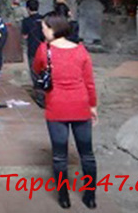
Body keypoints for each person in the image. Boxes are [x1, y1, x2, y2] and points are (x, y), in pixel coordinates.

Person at [33, 15, 98, 210]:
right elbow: (89, 82)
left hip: (57, 106)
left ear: (54, 30)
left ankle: (64, 198)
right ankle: (90, 197)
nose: (43, 32)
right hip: (81, 104)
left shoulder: (44, 50)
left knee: (59, 156)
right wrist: (93, 106)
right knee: (87, 154)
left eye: (45, 28)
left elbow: (37, 68)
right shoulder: (81, 50)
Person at [21, 0, 45, 106]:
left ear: (27, 9)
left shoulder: (26, 21)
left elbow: (24, 35)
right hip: (44, 48)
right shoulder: (44, 19)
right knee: (44, 71)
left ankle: (39, 96)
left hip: (32, 48)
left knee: (34, 71)